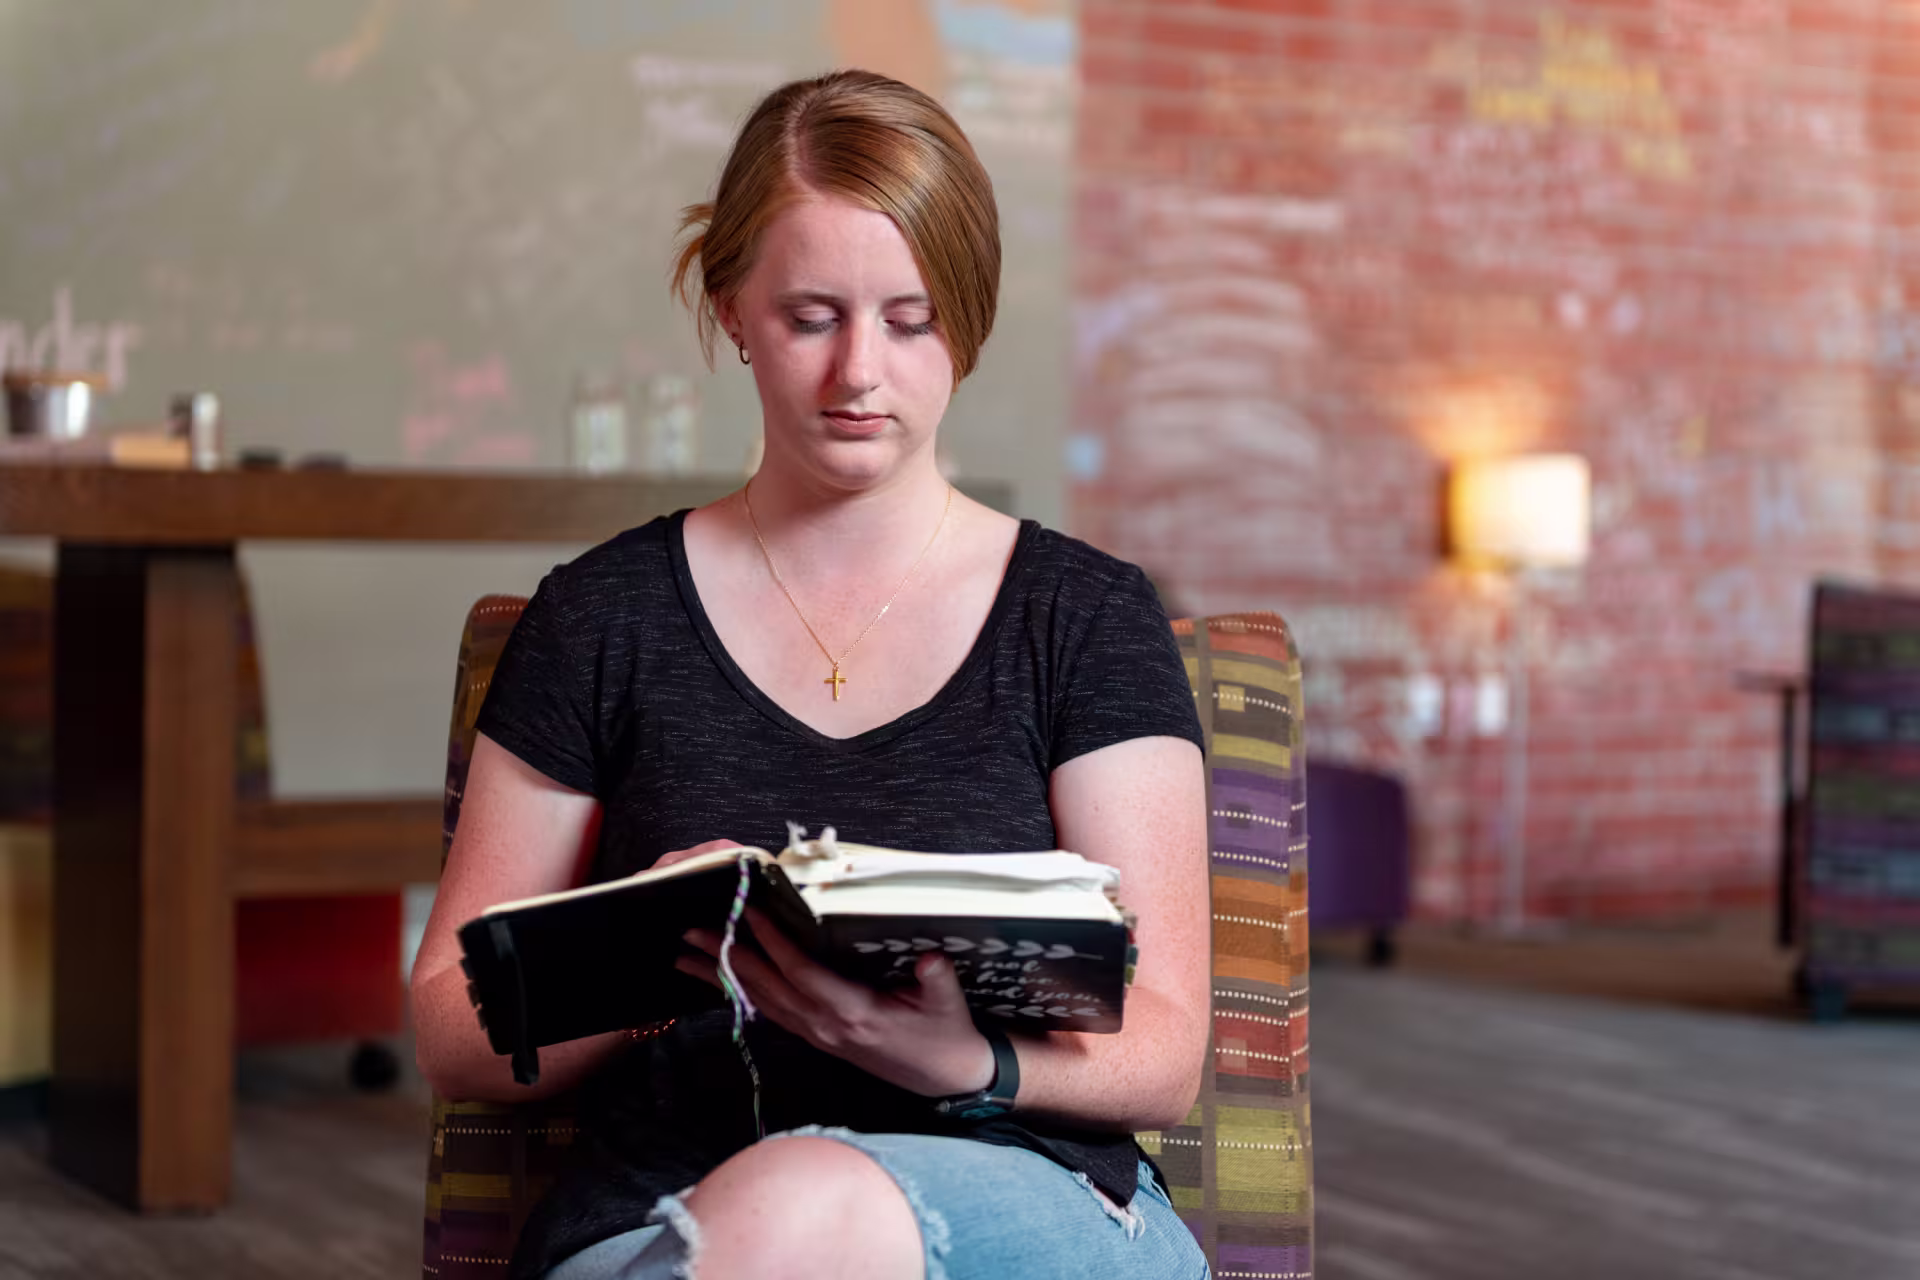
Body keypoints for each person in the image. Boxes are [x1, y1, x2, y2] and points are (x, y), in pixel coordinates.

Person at [410, 69, 1212, 1280]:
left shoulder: (1085, 617)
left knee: (805, 1204)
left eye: (911, 318)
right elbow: (451, 1030)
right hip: (668, 1211)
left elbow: (1166, 1046)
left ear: (972, 319)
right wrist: (654, 963)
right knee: (774, 1219)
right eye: (811, 316)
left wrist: (963, 1062)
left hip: (1028, 1204)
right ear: (732, 306)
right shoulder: (602, 617)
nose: (859, 375)